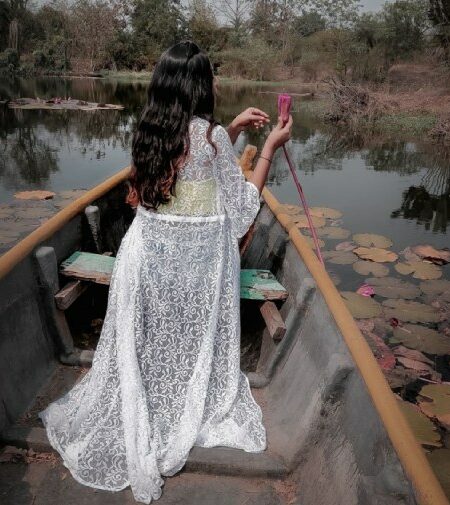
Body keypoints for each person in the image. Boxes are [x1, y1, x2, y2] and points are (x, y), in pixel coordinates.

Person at [39, 41, 292, 504]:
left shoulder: (149, 132)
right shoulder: (211, 138)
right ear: (200, 87)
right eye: (211, 76)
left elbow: (190, 165)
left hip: (144, 263)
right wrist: (270, 148)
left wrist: (232, 129)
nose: (216, 82)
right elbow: (241, 210)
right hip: (193, 269)